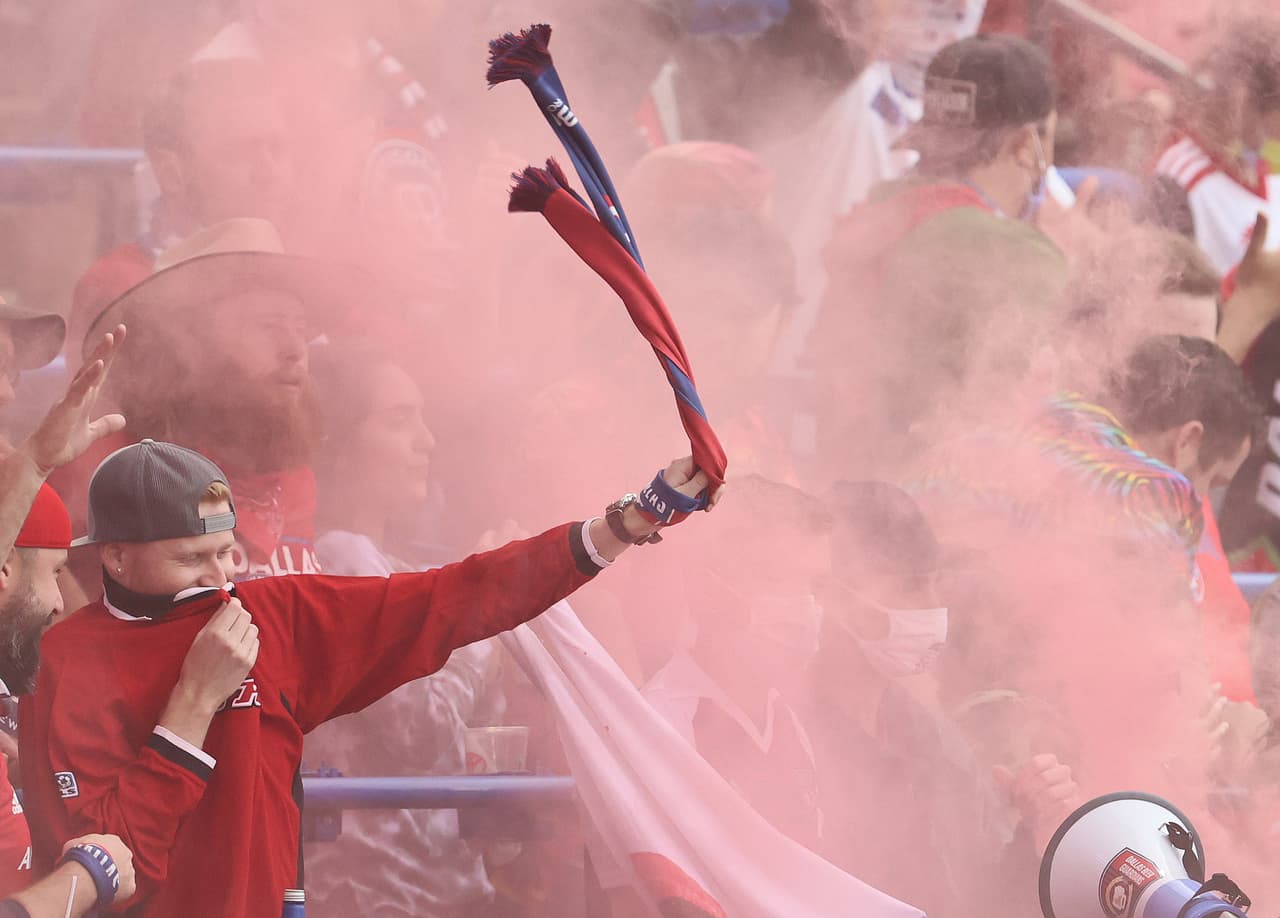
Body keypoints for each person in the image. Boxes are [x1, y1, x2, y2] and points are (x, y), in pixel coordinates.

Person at [21, 437, 719, 918]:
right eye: (190, 560)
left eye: (227, 554)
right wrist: (193, 706)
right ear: (115, 561)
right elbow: (103, 866)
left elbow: (453, 599)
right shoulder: (66, 661)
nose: (220, 581)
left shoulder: (274, 615)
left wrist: (617, 528)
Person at [806, 480, 1078, 918]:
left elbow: (983, 900)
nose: (934, 607)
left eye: (934, 585)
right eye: (912, 586)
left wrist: (1035, 834)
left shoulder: (933, 741)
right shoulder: (789, 740)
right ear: (835, 595)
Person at [807, 33, 1070, 485]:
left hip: (836, 487)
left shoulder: (878, 211)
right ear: (1027, 143)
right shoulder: (1016, 255)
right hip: (944, 511)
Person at [56, 218, 365, 586]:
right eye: (269, 326)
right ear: (192, 347)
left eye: (300, 328)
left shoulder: (293, 478)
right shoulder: (115, 469)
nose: (295, 350)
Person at [301, 342, 496, 917]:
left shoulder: (396, 566)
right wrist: (485, 608)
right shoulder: (339, 560)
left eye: (424, 418)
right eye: (398, 419)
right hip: (378, 898)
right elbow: (424, 732)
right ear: (339, 444)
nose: (426, 441)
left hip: (440, 891)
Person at [67, 57, 294, 359]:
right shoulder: (121, 288)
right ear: (171, 172)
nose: (270, 172)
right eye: (241, 152)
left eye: (277, 148)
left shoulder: (306, 274)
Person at [1106, 336, 1261, 703]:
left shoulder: (1155, 519)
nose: (1204, 502)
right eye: (1215, 481)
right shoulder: (1102, 529)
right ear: (1188, 441)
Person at [1151, 14, 1280, 275]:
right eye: (1273, 125)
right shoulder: (1181, 177)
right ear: (1242, 100)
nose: (1275, 138)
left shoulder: (1265, 177)